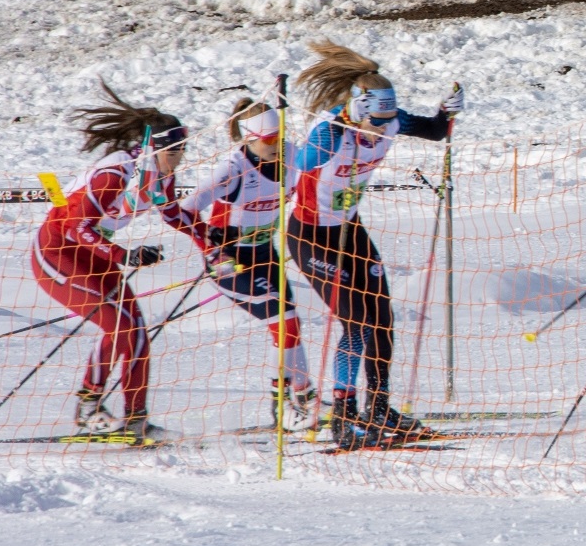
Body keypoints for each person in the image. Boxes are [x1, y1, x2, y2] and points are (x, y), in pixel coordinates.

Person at [287, 40, 462, 450]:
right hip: (311, 236)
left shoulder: (390, 119)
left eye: (387, 120)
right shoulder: (332, 132)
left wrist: (447, 111)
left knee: (382, 316)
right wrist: (319, 144)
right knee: (356, 322)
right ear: (357, 109)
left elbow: (435, 132)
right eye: (376, 122)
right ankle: (343, 416)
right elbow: (302, 162)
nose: (383, 129)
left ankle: (379, 407)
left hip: (350, 229)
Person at [30, 81, 208, 443]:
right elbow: (77, 226)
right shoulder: (115, 174)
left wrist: (214, 242)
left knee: (134, 331)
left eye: (184, 149)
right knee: (123, 327)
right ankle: (94, 409)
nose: (182, 157)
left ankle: (129, 418)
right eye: (176, 150)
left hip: (94, 254)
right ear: (153, 147)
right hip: (57, 253)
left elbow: (174, 214)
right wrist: (124, 255)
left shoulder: (160, 173)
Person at [180, 98, 317, 433]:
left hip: (264, 255)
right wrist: (209, 246)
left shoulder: (290, 155)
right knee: (283, 318)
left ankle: (294, 400)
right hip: (230, 263)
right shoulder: (233, 168)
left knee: (289, 325)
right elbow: (185, 209)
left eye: (280, 137)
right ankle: (294, 400)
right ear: (249, 139)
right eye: (269, 140)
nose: (277, 145)